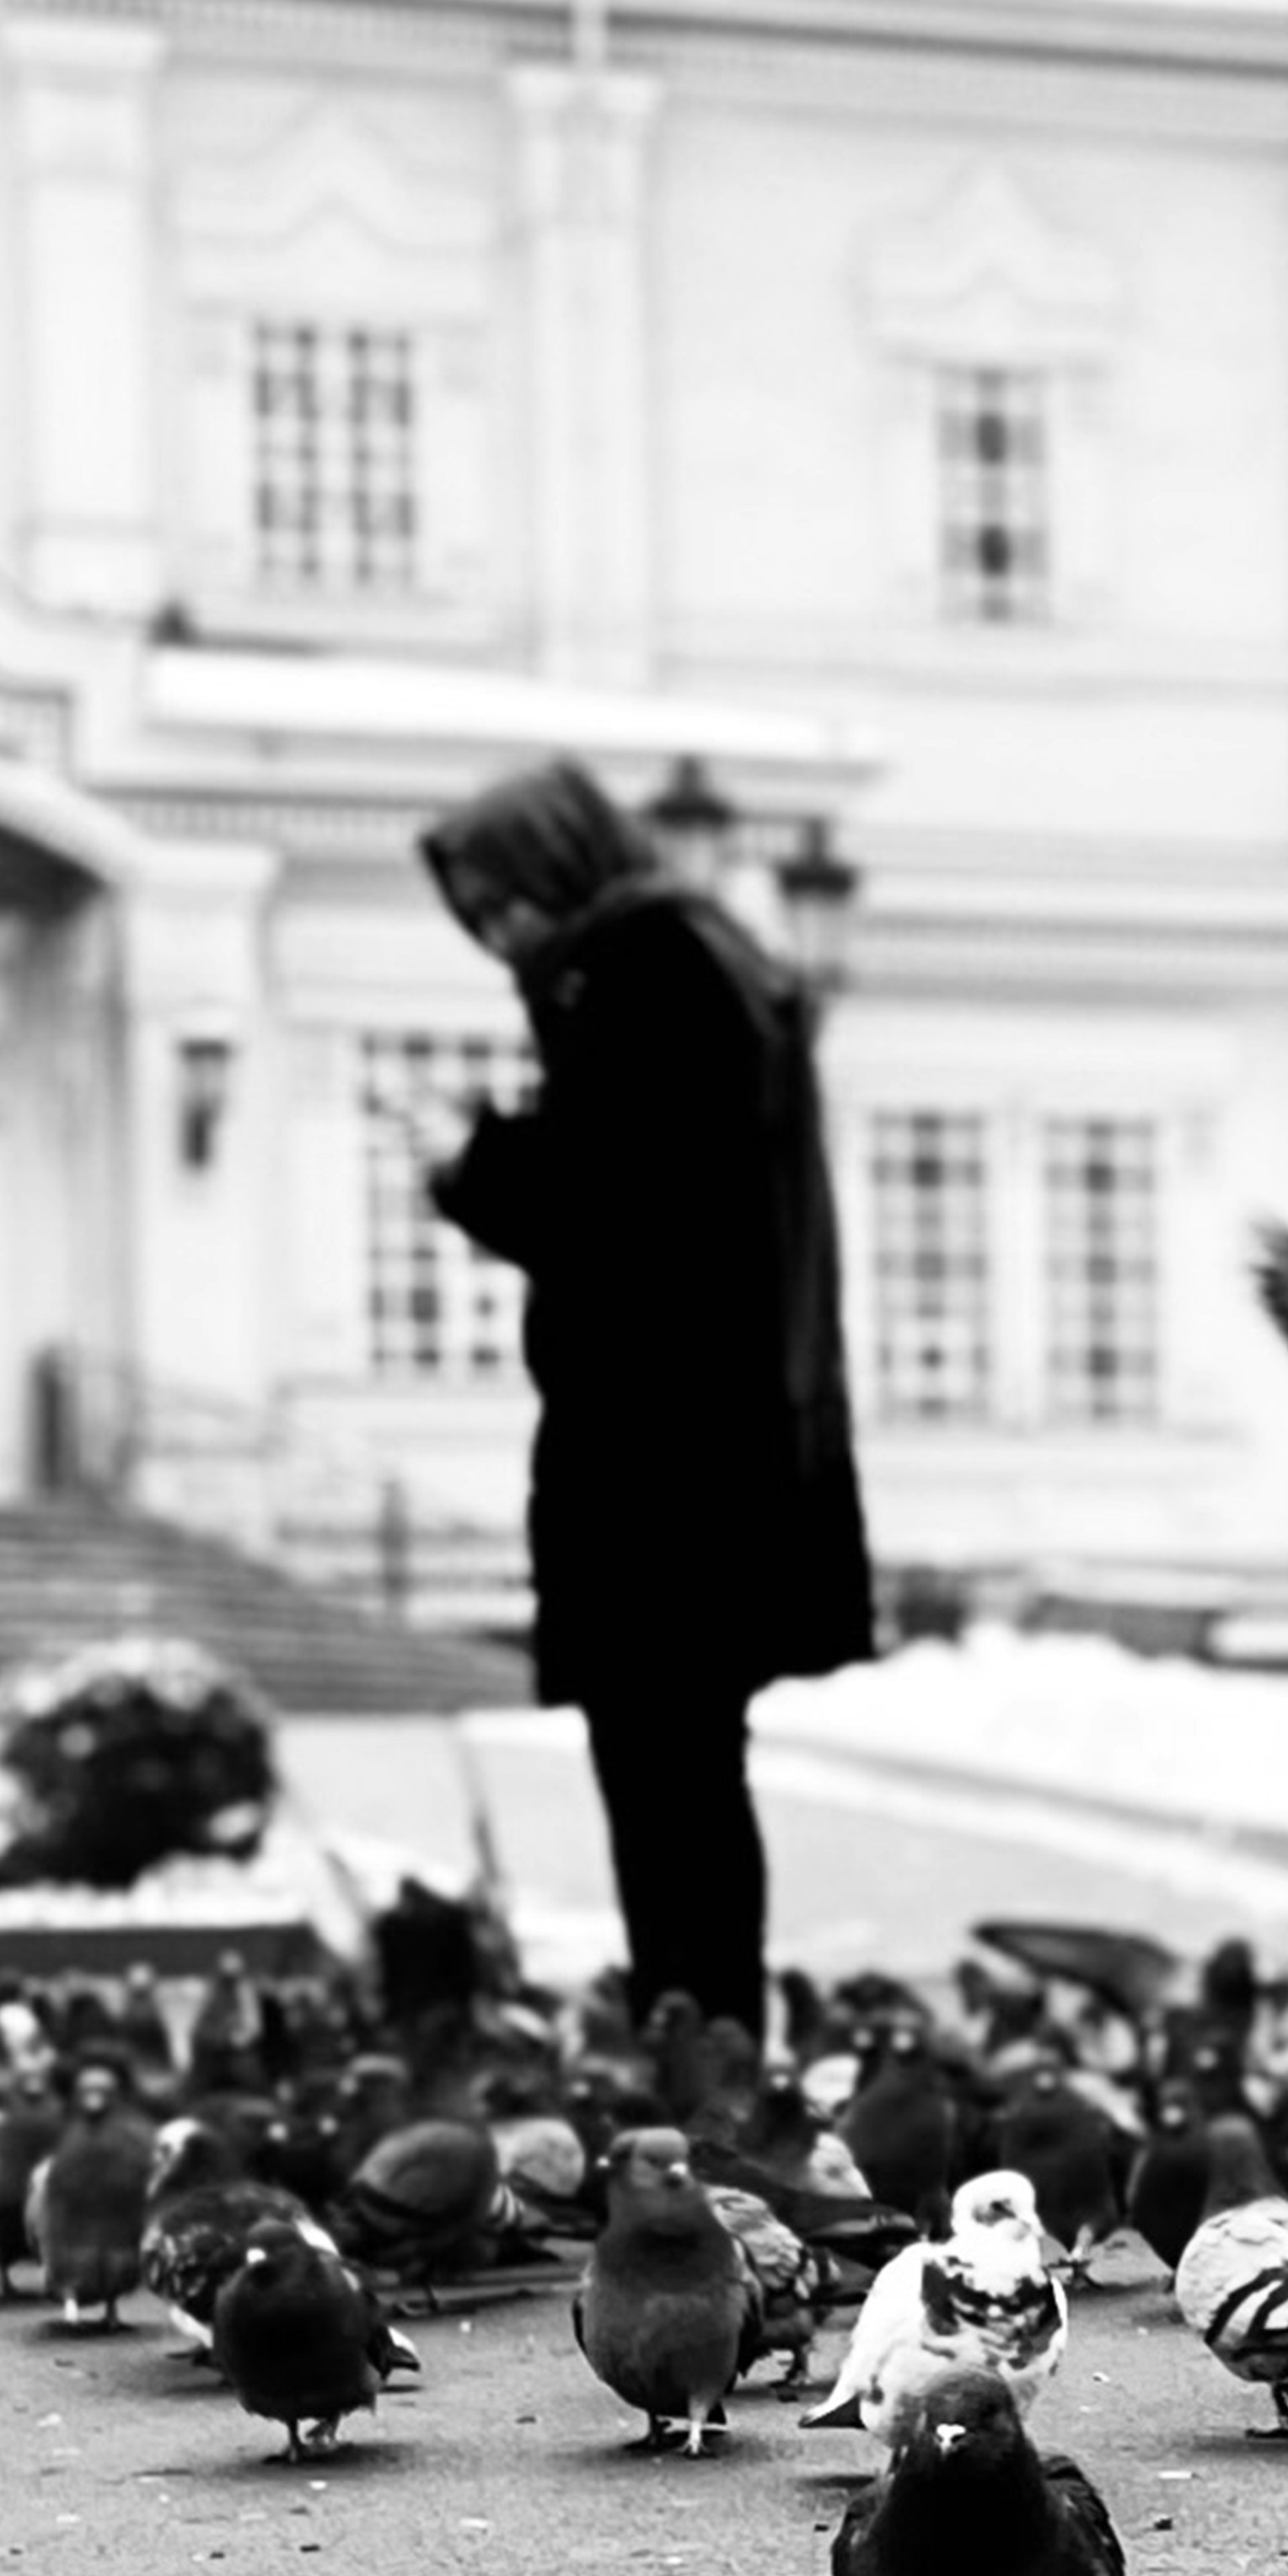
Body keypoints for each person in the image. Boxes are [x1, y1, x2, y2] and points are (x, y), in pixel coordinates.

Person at [417, 757, 872, 2042]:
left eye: (505, 902)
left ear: (560, 869)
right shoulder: (681, 961)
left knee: (668, 1775)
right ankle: (701, 2033)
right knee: (680, 1769)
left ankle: (703, 2041)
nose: (498, 935)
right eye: (478, 917)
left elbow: (627, 1212)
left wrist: (474, 1162)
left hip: (667, 1466)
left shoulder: (643, 967)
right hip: (703, 1454)